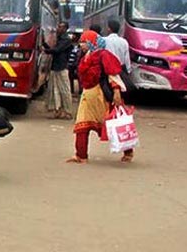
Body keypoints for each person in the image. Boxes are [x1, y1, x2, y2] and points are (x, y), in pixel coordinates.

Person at [67, 30, 132, 164]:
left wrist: (116, 91)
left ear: (92, 42)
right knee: (82, 125)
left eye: (84, 42)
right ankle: (81, 155)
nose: (81, 45)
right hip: (88, 96)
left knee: (113, 124)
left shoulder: (104, 55)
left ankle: (128, 152)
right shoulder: (86, 56)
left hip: (101, 96)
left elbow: (113, 75)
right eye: (81, 42)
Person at [42, 21, 74, 120]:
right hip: (55, 67)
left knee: (64, 90)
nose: (58, 29)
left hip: (61, 68)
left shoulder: (66, 40)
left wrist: (45, 50)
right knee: (54, 90)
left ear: (65, 29)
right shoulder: (60, 39)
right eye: (58, 26)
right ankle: (57, 110)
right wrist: (44, 44)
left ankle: (67, 112)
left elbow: (57, 50)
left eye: (61, 27)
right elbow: (54, 50)